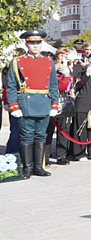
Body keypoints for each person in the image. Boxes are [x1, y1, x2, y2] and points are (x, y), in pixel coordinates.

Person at [6, 30, 60, 178]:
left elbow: (53, 85)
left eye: (38, 42)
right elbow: (11, 86)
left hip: (44, 102)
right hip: (26, 103)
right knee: (27, 136)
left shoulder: (48, 62)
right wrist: (13, 105)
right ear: (26, 44)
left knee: (41, 136)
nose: (35, 45)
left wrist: (54, 104)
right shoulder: (17, 61)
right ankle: (27, 168)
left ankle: (38, 167)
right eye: (31, 43)